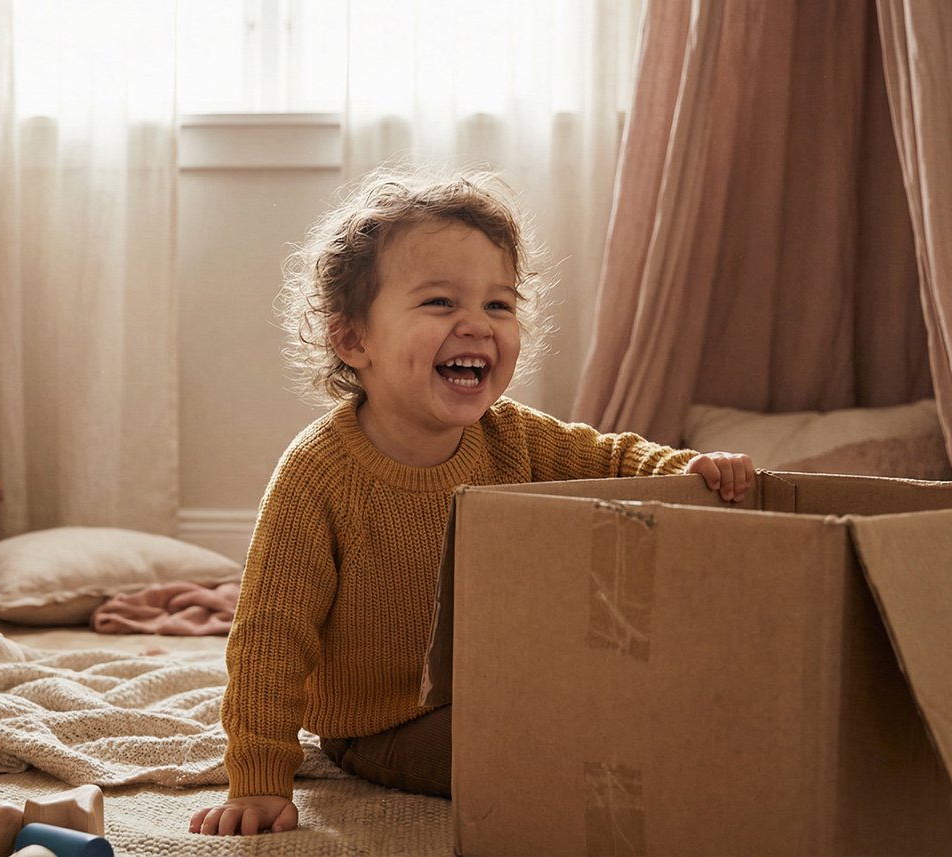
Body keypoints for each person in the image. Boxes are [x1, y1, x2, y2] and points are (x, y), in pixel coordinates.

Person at [188, 166, 754, 837]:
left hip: (499, 684)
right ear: (353, 340)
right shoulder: (318, 475)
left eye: (498, 305)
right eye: (438, 303)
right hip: (382, 722)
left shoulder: (510, 434)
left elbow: (614, 458)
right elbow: (268, 640)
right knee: (544, 758)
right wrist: (257, 779)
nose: (476, 325)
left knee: (631, 708)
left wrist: (688, 467)